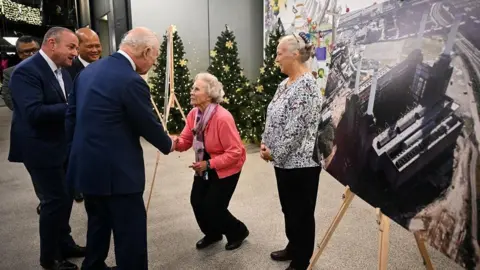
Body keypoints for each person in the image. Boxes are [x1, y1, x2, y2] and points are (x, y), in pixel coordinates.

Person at [65, 27, 175, 270]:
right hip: (118, 175)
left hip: (87, 167)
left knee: (97, 224)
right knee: (130, 234)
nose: (154, 63)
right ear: (145, 51)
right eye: (155, 58)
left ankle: (92, 266)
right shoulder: (131, 80)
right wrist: (170, 143)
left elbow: (70, 117)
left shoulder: (88, 71)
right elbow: (147, 123)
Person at [9, 27, 84, 270]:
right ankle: (49, 258)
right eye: (71, 47)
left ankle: (65, 243)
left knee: (65, 198)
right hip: (40, 148)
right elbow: (33, 113)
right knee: (54, 201)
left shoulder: (66, 68)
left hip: (62, 144)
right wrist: (74, 106)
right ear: (52, 44)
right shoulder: (25, 73)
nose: (76, 52)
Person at [260, 32, 323, 270]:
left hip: (302, 164)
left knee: (302, 213)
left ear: (295, 54)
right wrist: (266, 143)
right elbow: (273, 116)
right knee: (289, 208)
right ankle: (293, 245)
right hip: (283, 162)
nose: (275, 58)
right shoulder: (284, 84)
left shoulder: (307, 86)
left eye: (279, 53)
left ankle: (301, 259)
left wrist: (274, 153)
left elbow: (295, 130)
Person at [174, 72, 249, 251]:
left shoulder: (223, 118)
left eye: (196, 89)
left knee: (214, 206)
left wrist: (208, 164)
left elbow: (235, 152)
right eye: (192, 88)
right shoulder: (194, 114)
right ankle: (213, 233)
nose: (191, 92)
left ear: (209, 95)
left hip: (227, 166)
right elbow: (185, 141)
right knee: (197, 201)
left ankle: (238, 231)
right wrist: (171, 142)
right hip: (204, 162)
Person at [65, 27, 102, 203]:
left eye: (98, 45)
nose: (95, 50)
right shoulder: (69, 69)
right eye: (90, 46)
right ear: (78, 48)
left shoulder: (105, 66)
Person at [1, 36, 39, 111]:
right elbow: (7, 96)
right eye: (27, 51)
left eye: (34, 50)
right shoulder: (10, 73)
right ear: (19, 54)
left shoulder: (52, 68)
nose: (31, 54)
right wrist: (22, 112)